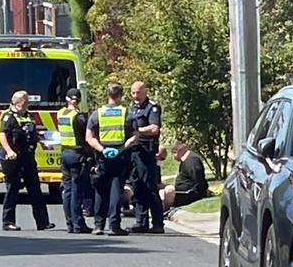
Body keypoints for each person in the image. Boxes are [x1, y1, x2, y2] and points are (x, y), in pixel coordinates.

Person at [86, 82, 138, 236]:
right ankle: (114, 226)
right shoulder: (126, 113)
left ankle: (98, 225)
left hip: (103, 157)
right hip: (120, 156)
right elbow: (135, 135)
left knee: (100, 191)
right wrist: (121, 148)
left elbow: (89, 137)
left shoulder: (97, 114)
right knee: (116, 190)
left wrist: (102, 149)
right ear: (121, 95)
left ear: (107, 95)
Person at [0, 90, 55, 231]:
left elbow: (31, 134)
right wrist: (9, 151)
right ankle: (8, 222)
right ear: (17, 103)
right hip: (13, 158)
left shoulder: (28, 116)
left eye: (27, 102)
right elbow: (2, 135)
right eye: (25, 103)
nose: (27, 105)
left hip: (28, 157)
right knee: (13, 189)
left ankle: (43, 222)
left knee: (35, 188)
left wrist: (42, 142)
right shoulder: (8, 117)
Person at [127, 81, 165, 234]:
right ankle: (141, 221)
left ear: (145, 91)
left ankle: (157, 223)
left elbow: (155, 128)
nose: (136, 96)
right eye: (133, 93)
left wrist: (137, 131)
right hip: (133, 151)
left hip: (146, 152)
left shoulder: (152, 108)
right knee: (137, 186)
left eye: (138, 92)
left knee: (149, 187)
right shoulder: (130, 109)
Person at [57, 88, 93, 234]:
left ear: (67, 99)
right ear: (79, 100)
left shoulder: (61, 113)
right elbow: (85, 138)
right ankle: (78, 224)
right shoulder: (78, 117)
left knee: (67, 190)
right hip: (76, 154)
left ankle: (70, 223)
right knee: (77, 190)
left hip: (64, 152)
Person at [160, 141, 209, 210]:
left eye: (173, 153)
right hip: (182, 190)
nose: (173, 157)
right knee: (161, 191)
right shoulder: (185, 160)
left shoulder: (192, 160)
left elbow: (198, 180)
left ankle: (164, 211)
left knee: (168, 191)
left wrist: (203, 192)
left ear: (178, 151)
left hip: (187, 193)